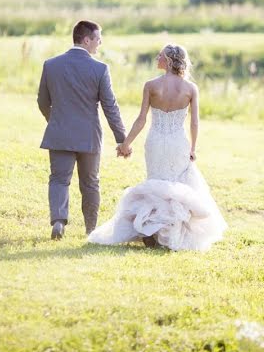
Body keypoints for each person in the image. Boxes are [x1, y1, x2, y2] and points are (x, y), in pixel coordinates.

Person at [88, 44, 226, 251]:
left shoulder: (151, 85)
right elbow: (194, 123)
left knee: (156, 184)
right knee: (176, 186)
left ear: (169, 60)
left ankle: (153, 232)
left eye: (160, 56)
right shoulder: (190, 89)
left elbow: (141, 119)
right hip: (178, 142)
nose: (156, 58)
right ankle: (168, 234)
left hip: (155, 141)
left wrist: (126, 144)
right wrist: (193, 147)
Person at [37, 20, 128, 240]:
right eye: (98, 39)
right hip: (89, 136)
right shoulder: (100, 69)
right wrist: (122, 138)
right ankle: (90, 229)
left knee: (59, 179)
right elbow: (110, 107)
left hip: (59, 134)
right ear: (86, 40)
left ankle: (59, 221)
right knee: (90, 182)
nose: (100, 43)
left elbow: (42, 101)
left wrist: (55, 120)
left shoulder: (51, 65)